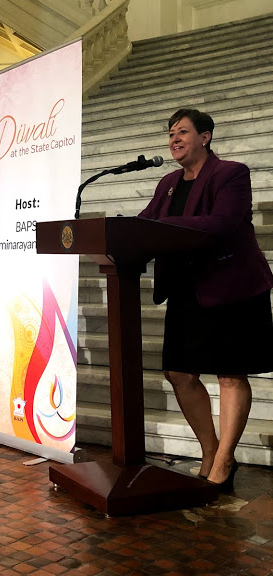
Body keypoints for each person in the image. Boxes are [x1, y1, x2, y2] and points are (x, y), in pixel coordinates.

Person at [138, 108, 273, 491]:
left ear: (205, 137)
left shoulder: (230, 173)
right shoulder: (167, 183)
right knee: (179, 373)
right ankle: (211, 450)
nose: (174, 139)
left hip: (232, 286)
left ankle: (226, 459)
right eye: (170, 134)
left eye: (182, 132)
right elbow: (144, 224)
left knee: (230, 374)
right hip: (186, 288)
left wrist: (158, 227)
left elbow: (224, 223)